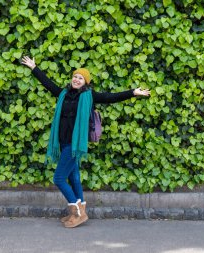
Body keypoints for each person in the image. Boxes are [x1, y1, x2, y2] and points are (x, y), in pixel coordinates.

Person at [21, 56, 150, 228]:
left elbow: (111, 97)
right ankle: (80, 210)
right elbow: (48, 83)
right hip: (63, 141)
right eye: (75, 76)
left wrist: (133, 92)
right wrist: (34, 67)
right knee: (73, 176)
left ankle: (78, 213)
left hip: (75, 144)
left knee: (59, 178)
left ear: (86, 82)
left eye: (80, 78)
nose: (76, 79)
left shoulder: (90, 96)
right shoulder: (63, 94)